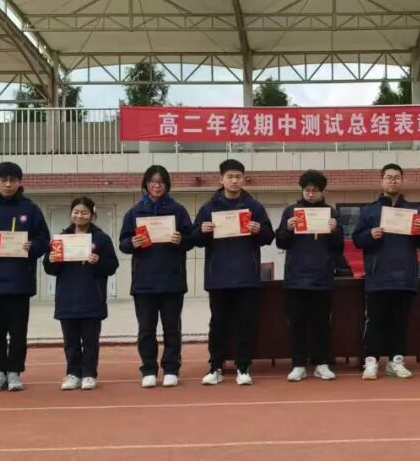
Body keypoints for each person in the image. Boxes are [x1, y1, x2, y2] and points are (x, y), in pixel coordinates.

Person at [191, 159, 274, 386]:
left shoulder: (254, 207)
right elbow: (193, 239)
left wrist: (259, 229)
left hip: (246, 276)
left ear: (243, 179)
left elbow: (269, 236)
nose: (234, 181)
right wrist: (201, 230)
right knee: (218, 323)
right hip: (218, 277)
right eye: (230, 177)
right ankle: (215, 367)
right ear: (221, 179)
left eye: (238, 176)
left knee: (245, 323)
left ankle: (243, 367)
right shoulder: (209, 208)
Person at [0, 161, 50, 392]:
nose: (7, 184)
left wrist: (32, 246)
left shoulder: (30, 208)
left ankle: (14, 372)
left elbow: (44, 239)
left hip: (19, 280)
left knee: (18, 330)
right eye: (3, 180)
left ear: (19, 182)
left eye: (12, 180)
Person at [352, 163, 420, 380]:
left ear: (402, 180)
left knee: (400, 322)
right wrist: (370, 234)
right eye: (389, 177)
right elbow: (357, 239)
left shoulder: (413, 211)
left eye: (397, 177)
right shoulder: (369, 210)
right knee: (375, 321)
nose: (393, 181)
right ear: (382, 181)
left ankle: (395, 361)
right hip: (378, 275)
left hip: (405, 275)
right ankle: (371, 362)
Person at [119, 165, 193, 388]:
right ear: (146, 184)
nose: (157, 185)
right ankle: (149, 369)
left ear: (167, 185)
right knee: (146, 329)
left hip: (172, 281)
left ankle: (171, 368)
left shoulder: (178, 210)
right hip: (144, 282)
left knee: (172, 329)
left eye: (161, 182)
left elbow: (191, 239)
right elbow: (123, 244)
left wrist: (182, 240)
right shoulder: (134, 212)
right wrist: (132, 242)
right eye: (153, 181)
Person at [275, 169, 345, 382]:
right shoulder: (291, 211)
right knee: (296, 323)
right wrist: (287, 229)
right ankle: (298, 365)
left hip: (322, 278)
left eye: (315, 190)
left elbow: (338, 247)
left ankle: (322, 364)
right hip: (295, 278)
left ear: (322, 192)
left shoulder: (331, 213)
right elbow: (280, 242)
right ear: (302, 190)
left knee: (321, 324)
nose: (311, 194)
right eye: (307, 190)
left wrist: (335, 230)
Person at [44, 197, 119, 391]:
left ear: (92, 215)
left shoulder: (101, 238)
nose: (80, 216)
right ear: (71, 213)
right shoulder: (61, 238)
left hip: (92, 297)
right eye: (76, 212)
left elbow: (112, 266)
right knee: (70, 341)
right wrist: (51, 259)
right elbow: (49, 269)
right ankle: (73, 374)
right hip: (67, 298)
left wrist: (98, 261)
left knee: (90, 341)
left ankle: (89, 374)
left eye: (84, 212)